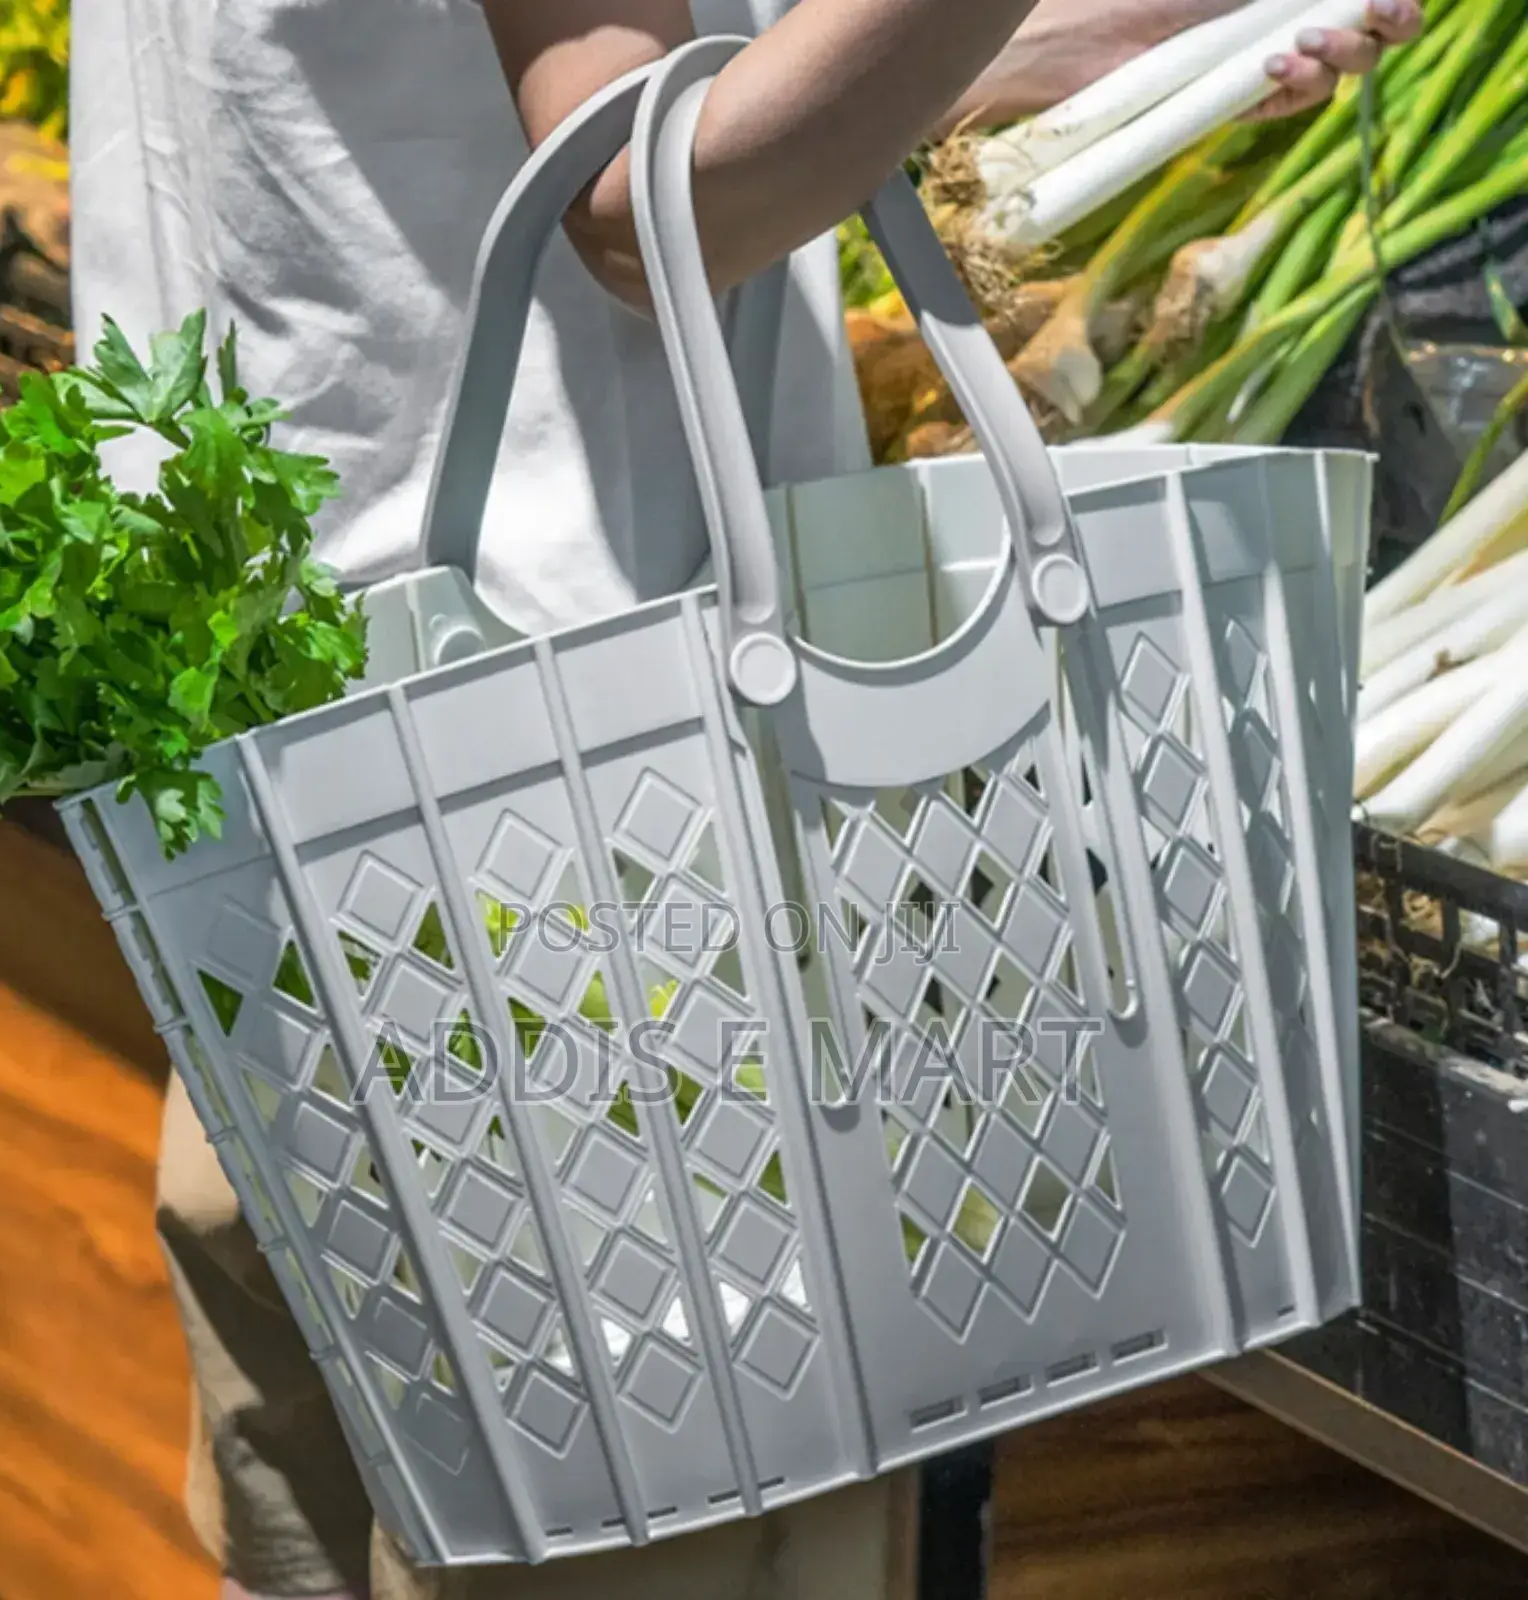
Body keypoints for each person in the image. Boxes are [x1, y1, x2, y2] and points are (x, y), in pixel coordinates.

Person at [68, 2, 1419, 1598]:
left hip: (311, 814)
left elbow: (470, 104)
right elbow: (645, 202)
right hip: (602, 873)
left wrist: (1010, 48)